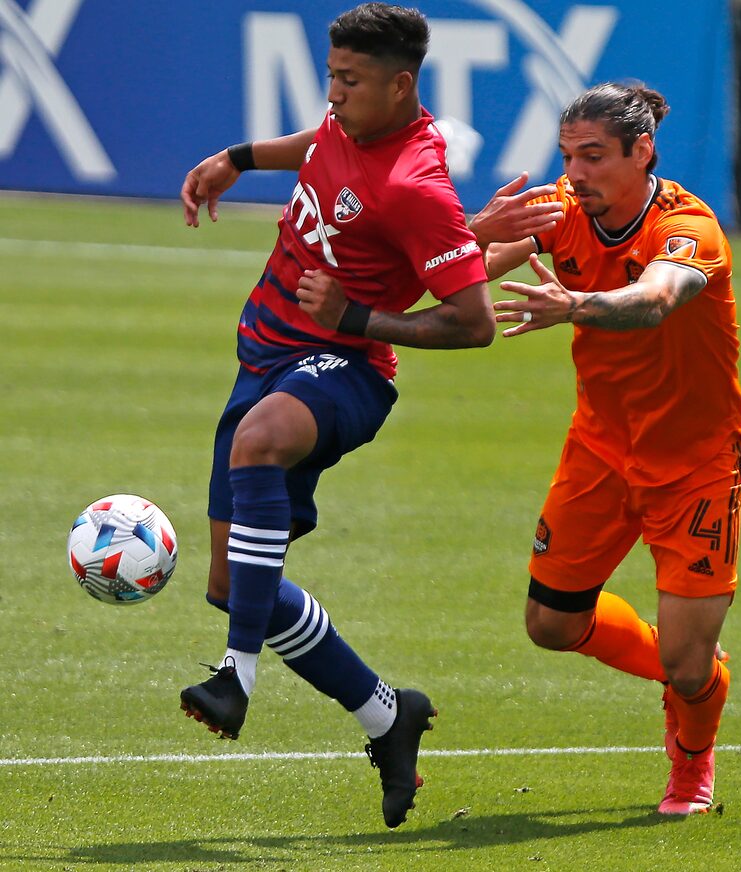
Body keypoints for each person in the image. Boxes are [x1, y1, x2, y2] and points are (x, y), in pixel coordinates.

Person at [177, 2, 557, 829]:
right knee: (231, 583)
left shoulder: (415, 185)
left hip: (347, 370)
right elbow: (318, 143)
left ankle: (235, 676)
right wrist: (235, 158)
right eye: (331, 78)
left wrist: (357, 320)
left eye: (349, 81)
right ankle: (388, 715)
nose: (336, 94)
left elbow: (473, 322)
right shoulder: (350, 119)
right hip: (267, 357)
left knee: (262, 440)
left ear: (402, 85)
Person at [470, 82, 741, 816]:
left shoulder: (688, 227)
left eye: (593, 156)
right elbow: (465, 269)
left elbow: (657, 299)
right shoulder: (565, 207)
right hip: (599, 448)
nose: (577, 172)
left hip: (695, 463)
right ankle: (684, 655)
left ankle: (691, 761)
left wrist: (575, 306)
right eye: (568, 156)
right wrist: (473, 230)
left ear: (641, 150)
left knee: (686, 674)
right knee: (550, 626)